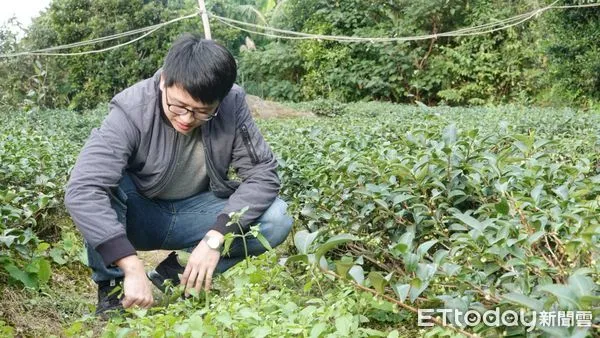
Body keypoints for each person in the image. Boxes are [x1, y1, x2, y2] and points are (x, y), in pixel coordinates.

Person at [64, 33, 293, 316]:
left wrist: (216, 238)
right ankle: (114, 286)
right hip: (138, 214)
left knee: (276, 218)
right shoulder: (131, 108)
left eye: (202, 112)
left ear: (219, 102)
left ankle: (175, 274)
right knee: (102, 187)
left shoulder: (232, 105)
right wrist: (131, 263)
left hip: (194, 212)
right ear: (163, 82)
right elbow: (83, 188)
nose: (186, 119)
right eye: (179, 106)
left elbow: (262, 173)